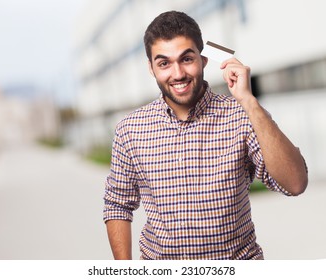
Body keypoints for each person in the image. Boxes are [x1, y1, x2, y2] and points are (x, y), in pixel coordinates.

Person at [103, 11, 308, 260]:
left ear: (203, 59)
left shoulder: (241, 115)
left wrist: (248, 101)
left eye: (186, 59)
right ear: (151, 68)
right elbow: (117, 205)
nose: (177, 73)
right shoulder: (130, 129)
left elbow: (295, 183)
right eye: (164, 63)